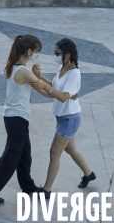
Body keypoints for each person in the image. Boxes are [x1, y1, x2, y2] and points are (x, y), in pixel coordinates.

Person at [0, 34, 76, 203]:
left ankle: (28, 187)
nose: (37, 55)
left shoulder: (16, 66)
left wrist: (41, 79)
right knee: (10, 158)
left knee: (25, 156)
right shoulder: (23, 72)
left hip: (16, 118)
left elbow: (44, 87)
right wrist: (58, 92)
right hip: (17, 119)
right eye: (37, 52)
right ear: (29, 51)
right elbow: (46, 92)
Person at [32, 38, 96, 197]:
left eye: (57, 53)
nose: (55, 55)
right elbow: (55, 87)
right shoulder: (62, 67)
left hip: (69, 119)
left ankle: (46, 190)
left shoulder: (74, 73)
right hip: (62, 117)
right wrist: (40, 77)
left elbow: (63, 97)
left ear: (67, 55)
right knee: (71, 149)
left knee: (54, 152)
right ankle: (89, 174)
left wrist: (45, 86)